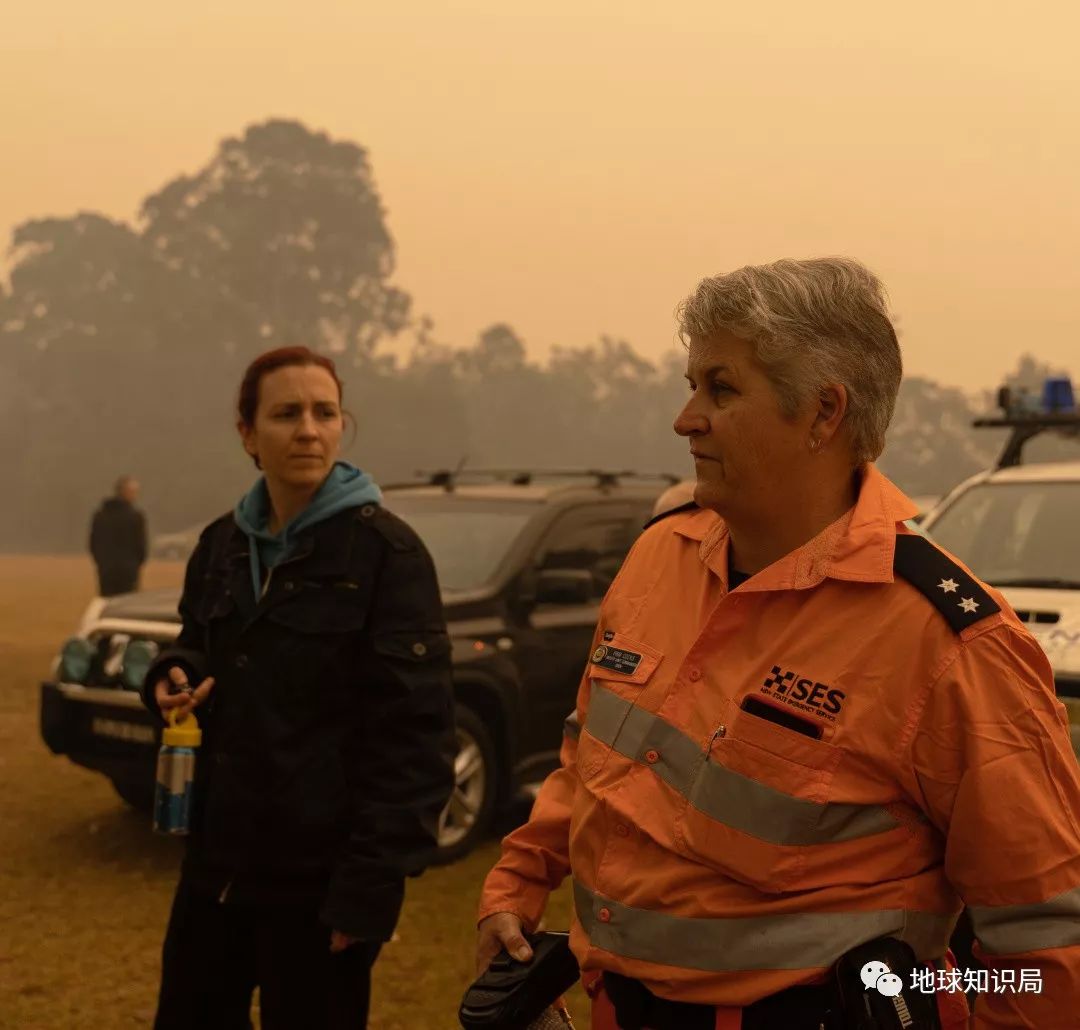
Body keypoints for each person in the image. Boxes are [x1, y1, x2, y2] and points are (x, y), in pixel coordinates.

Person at [476, 258, 1080, 1029]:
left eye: (720, 388)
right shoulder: (659, 556)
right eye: (690, 385)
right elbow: (591, 756)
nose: (685, 417)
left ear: (824, 414)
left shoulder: (949, 641)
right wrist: (517, 884)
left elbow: (1045, 945)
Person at [141, 346, 456, 1030]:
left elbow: (417, 737)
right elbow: (196, 645)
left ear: (343, 426)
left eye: (325, 412)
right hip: (215, 867)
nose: (308, 429)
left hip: (321, 885)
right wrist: (174, 675)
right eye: (286, 414)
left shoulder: (388, 557)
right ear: (249, 435)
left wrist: (369, 889)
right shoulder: (221, 544)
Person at [89, 475, 147, 596]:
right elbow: (141, 545)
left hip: (106, 569)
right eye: (133, 492)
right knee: (127, 604)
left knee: (107, 601)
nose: (135, 495)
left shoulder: (100, 515)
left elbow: (93, 543)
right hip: (128, 570)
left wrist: (100, 561)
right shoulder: (135, 516)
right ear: (123, 492)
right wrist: (136, 564)